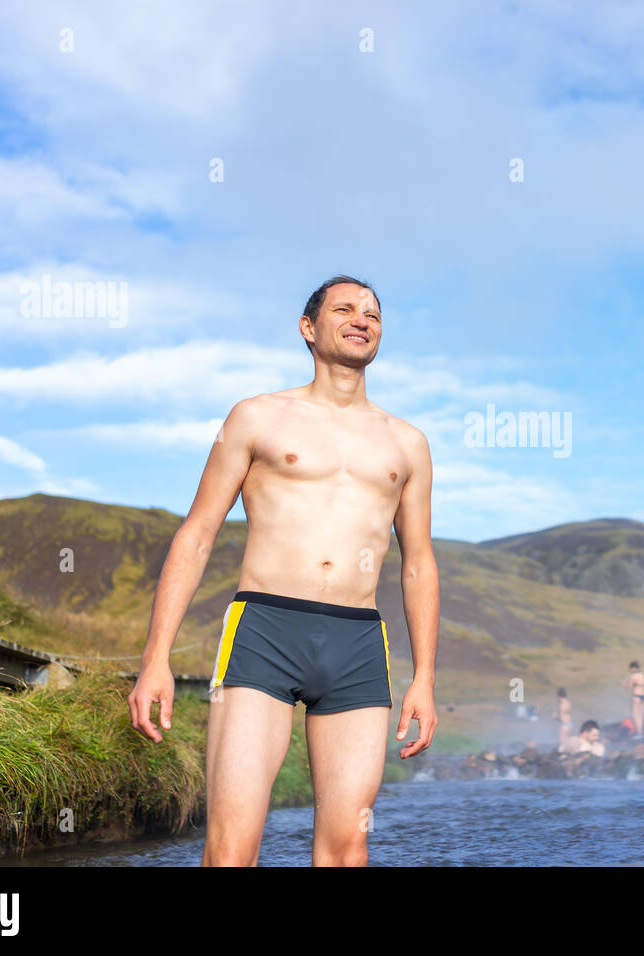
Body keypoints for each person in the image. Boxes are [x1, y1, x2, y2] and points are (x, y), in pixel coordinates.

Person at [127, 275, 439, 867]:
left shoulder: (407, 443)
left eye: (372, 313)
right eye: (344, 309)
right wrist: (155, 659)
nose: (361, 319)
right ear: (308, 328)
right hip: (265, 631)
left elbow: (419, 564)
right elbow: (197, 533)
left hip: (357, 641)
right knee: (232, 847)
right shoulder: (256, 417)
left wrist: (424, 678)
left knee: (348, 845)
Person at [622, 660, 644, 739]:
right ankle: (641, 732)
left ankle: (640, 733)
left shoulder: (634, 676)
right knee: (641, 716)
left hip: (637, 696)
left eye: (631, 668)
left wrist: (624, 683)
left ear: (633, 668)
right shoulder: (642, 675)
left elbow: (629, 687)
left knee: (635, 715)